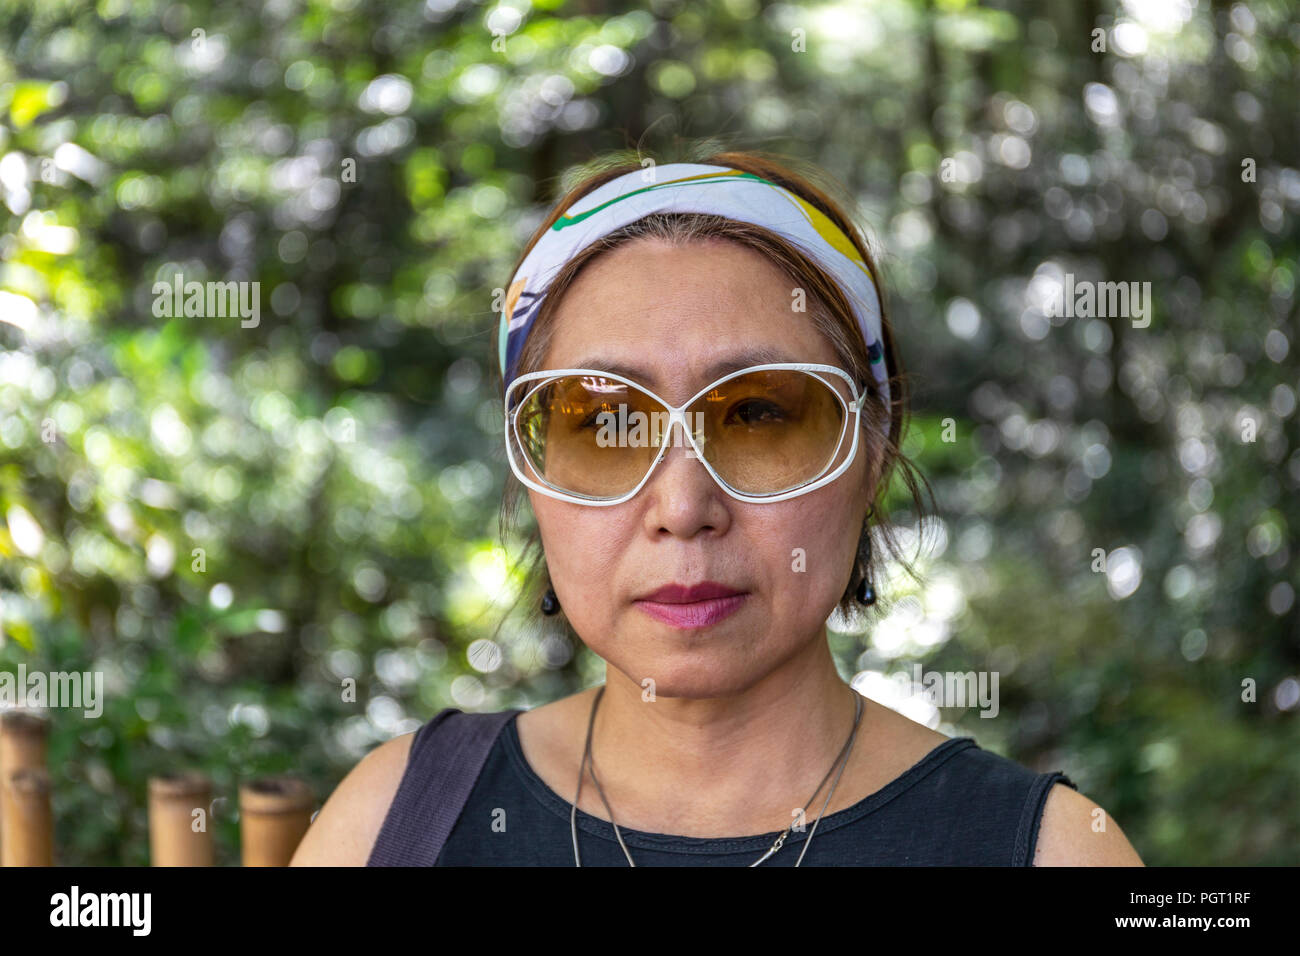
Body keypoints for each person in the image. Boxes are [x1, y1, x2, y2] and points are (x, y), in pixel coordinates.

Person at [292, 150, 1143, 866]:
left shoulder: (1049, 852)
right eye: (606, 421)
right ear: (535, 473)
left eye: (759, 412)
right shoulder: (398, 821)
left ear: (872, 454)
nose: (682, 505)